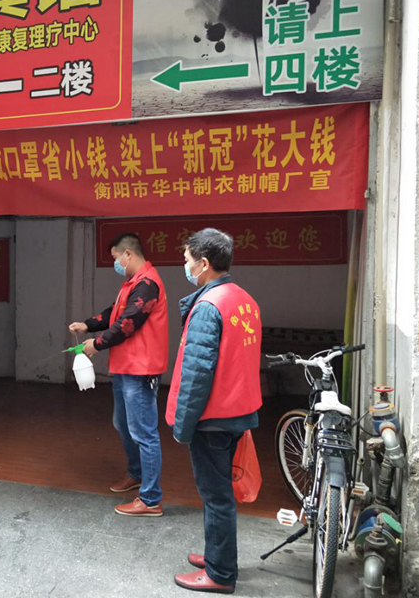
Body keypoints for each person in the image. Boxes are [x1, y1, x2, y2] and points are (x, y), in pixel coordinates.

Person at [164, 228, 262, 595]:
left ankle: (220, 573)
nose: (185, 266)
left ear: (204, 264)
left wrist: (183, 425)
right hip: (238, 412)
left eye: (188, 260)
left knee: (216, 497)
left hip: (212, 419)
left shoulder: (209, 307)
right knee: (219, 494)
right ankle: (215, 555)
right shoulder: (245, 300)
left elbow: (197, 373)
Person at [68, 233, 169, 516]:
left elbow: (127, 323)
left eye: (115, 258)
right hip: (126, 366)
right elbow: (114, 313)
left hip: (141, 369)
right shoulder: (133, 284)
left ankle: (150, 499)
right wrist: (88, 325)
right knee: (123, 423)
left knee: (144, 431)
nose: (115, 263)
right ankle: (136, 474)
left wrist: (97, 344)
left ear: (127, 254)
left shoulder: (147, 284)